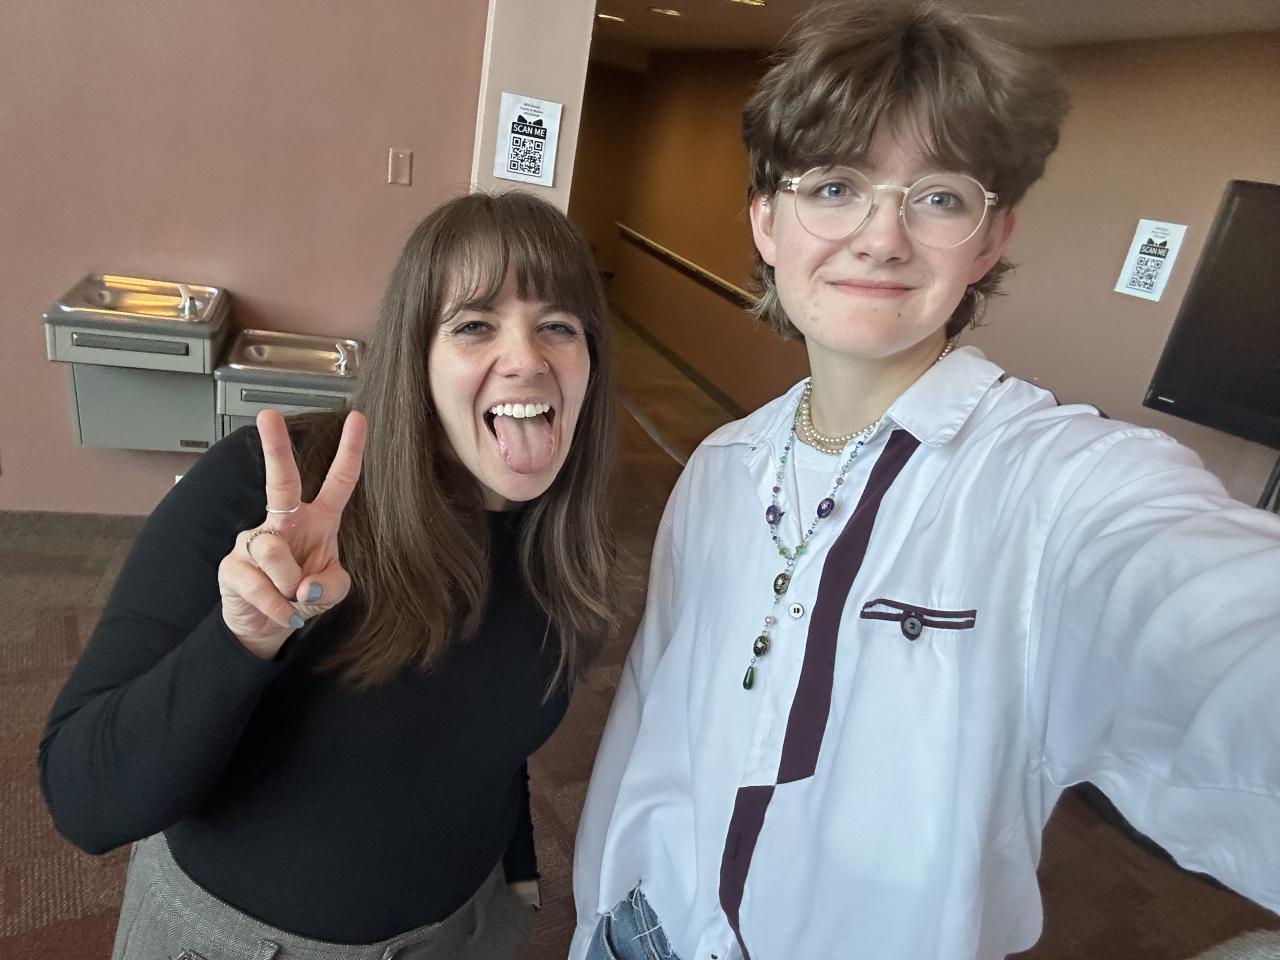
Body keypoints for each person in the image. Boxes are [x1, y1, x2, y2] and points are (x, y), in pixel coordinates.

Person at [570, 2, 1280, 959]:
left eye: (938, 197)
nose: (881, 237)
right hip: (640, 929)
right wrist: (599, 908)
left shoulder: (1055, 486)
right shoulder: (723, 467)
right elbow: (649, 706)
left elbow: (1213, 621)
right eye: (834, 187)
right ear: (767, 222)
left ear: (989, 240)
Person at [39, 190, 622, 960]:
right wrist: (242, 639)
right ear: (415, 358)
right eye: (474, 325)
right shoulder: (264, 495)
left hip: (466, 935)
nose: (527, 359)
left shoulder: (563, 549)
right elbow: (85, 798)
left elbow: (490, 744)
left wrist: (516, 887)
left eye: (558, 326)